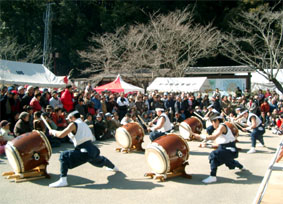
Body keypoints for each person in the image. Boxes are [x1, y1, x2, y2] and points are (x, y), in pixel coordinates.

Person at [48, 110, 119, 188]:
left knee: (63, 156)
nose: (68, 120)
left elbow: (61, 135)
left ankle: (63, 180)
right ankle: (114, 167)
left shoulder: (73, 124)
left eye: (69, 118)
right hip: (92, 149)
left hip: (83, 150)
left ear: (72, 117)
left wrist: (53, 132)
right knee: (100, 159)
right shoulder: (83, 124)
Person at [193, 114, 245, 184]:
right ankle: (241, 167)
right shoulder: (218, 129)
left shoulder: (222, 126)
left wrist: (200, 136)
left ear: (217, 121)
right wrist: (206, 145)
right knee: (228, 161)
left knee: (213, 155)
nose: (212, 124)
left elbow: (213, 137)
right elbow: (218, 145)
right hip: (226, 150)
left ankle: (213, 176)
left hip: (230, 150)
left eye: (213, 122)